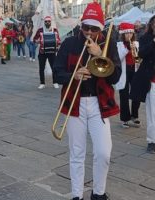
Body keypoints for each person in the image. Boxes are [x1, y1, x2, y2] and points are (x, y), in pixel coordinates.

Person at [53, 2, 121, 200]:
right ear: (81, 26)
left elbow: (115, 78)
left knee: (103, 153)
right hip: (75, 104)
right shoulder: (68, 44)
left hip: (99, 105)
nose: (89, 32)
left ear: (101, 29)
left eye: (94, 28)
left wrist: (101, 55)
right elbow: (57, 73)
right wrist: (74, 75)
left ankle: (98, 193)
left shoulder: (108, 46)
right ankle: (77, 195)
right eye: (86, 27)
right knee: (77, 153)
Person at [130, 15, 155, 153]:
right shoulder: (146, 38)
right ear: (151, 25)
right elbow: (142, 54)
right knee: (152, 113)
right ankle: (152, 141)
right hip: (151, 81)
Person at [116, 22, 141, 128]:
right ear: (123, 34)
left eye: (131, 33)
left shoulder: (136, 43)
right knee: (124, 95)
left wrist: (136, 55)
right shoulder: (119, 44)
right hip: (124, 71)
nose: (129, 35)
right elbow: (118, 58)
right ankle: (125, 119)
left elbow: (138, 59)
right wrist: (126, 49)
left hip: (134, 70)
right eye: (127, 34)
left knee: (136, 94)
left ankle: (134, 116)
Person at [33, 16, 61, 89]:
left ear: (50, 22)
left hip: (52, 52)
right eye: (46, 21)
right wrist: (37, 41)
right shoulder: (40, 30)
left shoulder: (54, 30)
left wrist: (58, 42)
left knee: (54, 68)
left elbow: (58, 39)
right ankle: (42, 83)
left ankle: (55, 82)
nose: (47, 23)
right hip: (42, 52)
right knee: (41, 68)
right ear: (44, 22)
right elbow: (34, 39)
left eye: (49, 21)